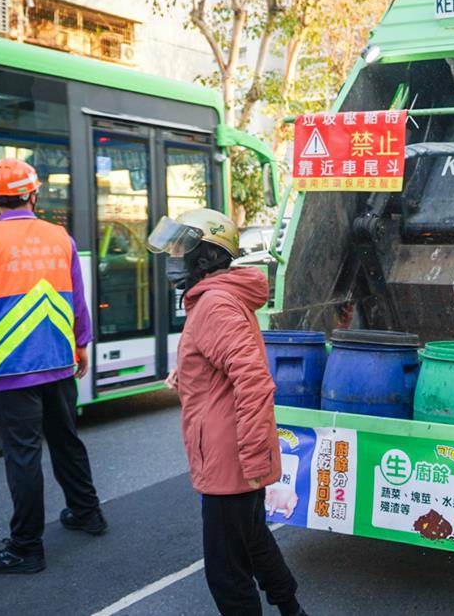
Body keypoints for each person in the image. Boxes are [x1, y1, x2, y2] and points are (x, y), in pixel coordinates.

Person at [0, 158, 105, 575]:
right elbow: (76, 297)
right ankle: (88, 513)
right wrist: (81, 342)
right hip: (58, 359)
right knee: (66, 440)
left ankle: (27, 548)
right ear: (33, 195)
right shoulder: (59, 237)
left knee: (24, 456)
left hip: (12, 369)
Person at [149, 209, 306, 616]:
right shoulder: (216, 300)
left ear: (205, 257)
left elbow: (253, 380)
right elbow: (220, 365)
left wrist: (252, 455)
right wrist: (186, 374)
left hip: (230, 457)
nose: (174, 258)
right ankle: (293, 610)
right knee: (253, 541)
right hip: (233, 453)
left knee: (226, 572)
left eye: (183, 248)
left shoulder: (214, 305)